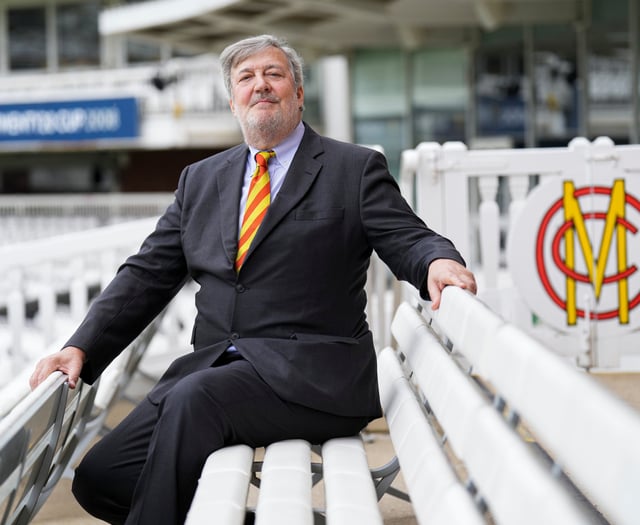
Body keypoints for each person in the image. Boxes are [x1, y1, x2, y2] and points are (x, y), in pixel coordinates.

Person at [30, 34, 477, 524]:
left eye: (274, 74)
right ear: (233, 100)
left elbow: (407, 236)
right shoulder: (200, 180)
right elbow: (146, 273)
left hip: (315, 377)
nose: (260, 85)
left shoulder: (353, 168)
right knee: (102, 479)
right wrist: (82, 346)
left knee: (194, 402)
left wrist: (436, 262)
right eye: (246, 78)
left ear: (299, 93)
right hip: (215, 372)